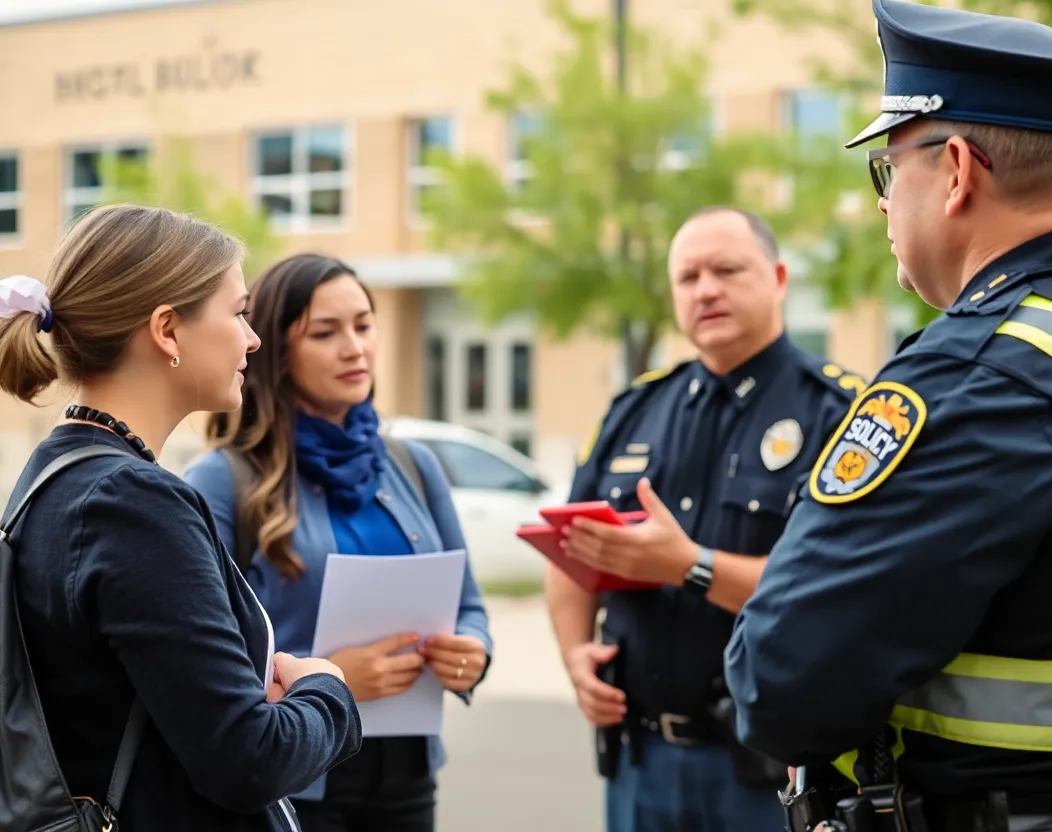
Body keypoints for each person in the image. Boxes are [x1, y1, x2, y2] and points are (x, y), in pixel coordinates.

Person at [724, 1, 1052, 830]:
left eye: (889, 171)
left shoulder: (972, 381)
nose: (884, 205)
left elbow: (780, 687)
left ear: (955, 169)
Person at [0, 204, 362, 830]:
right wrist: (327, 690)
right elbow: (248, 759)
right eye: (240, 312)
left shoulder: (54, 477)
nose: (253, 339)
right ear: (167, 330)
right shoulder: (132, 504)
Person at [549, 205, 866, 830]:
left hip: (771, 768)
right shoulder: (635, 410)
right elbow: (568, 555)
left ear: (778, 278)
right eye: (688, 277)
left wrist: (686, 565)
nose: (706, 290)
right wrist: (574, 654)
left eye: (727, 270)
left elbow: (834, 592)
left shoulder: (840, 412)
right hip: (640, 758)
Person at [184, 252, 492, 832]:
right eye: (325, 332)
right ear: (274, 349)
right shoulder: (221, 481)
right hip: (295, 774)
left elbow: (469, 605)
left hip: (406, 772)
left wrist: (472, 651)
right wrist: (330, 678)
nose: (355, 347)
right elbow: (201, 656)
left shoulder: (414, 464)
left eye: (364, 324)